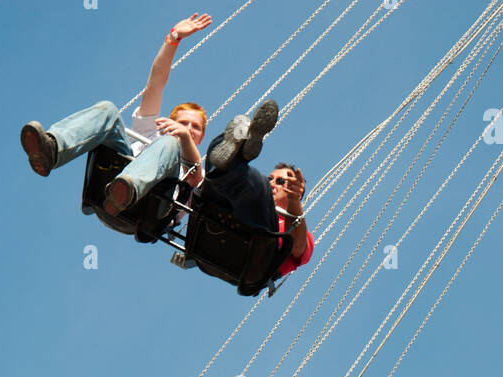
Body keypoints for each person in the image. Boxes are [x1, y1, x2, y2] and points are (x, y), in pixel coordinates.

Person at [19, 14, 212, 222]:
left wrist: (182, 137)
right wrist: (173, 38)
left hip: (148, 211)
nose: (189, 128)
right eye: (183, 123)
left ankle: (128, 189)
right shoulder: (151, 130)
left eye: (196, 127)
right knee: (108, 110)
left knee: (168, 145)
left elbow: (194, 176)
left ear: (201, 137)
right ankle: (52, 150)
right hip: (108, 190)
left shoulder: (194, 169)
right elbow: (156, 82)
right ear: (170, 122)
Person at [198, 103, 315, 279]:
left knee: (256, 183)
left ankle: (240, 155)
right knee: (218, 152)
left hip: (249, 263)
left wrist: (294, 203)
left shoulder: (301, 233)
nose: (273, 183)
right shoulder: (252, 193)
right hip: (209, 238)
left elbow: (298, 249)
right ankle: (234, 152)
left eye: (281, 181)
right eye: (271, 179)